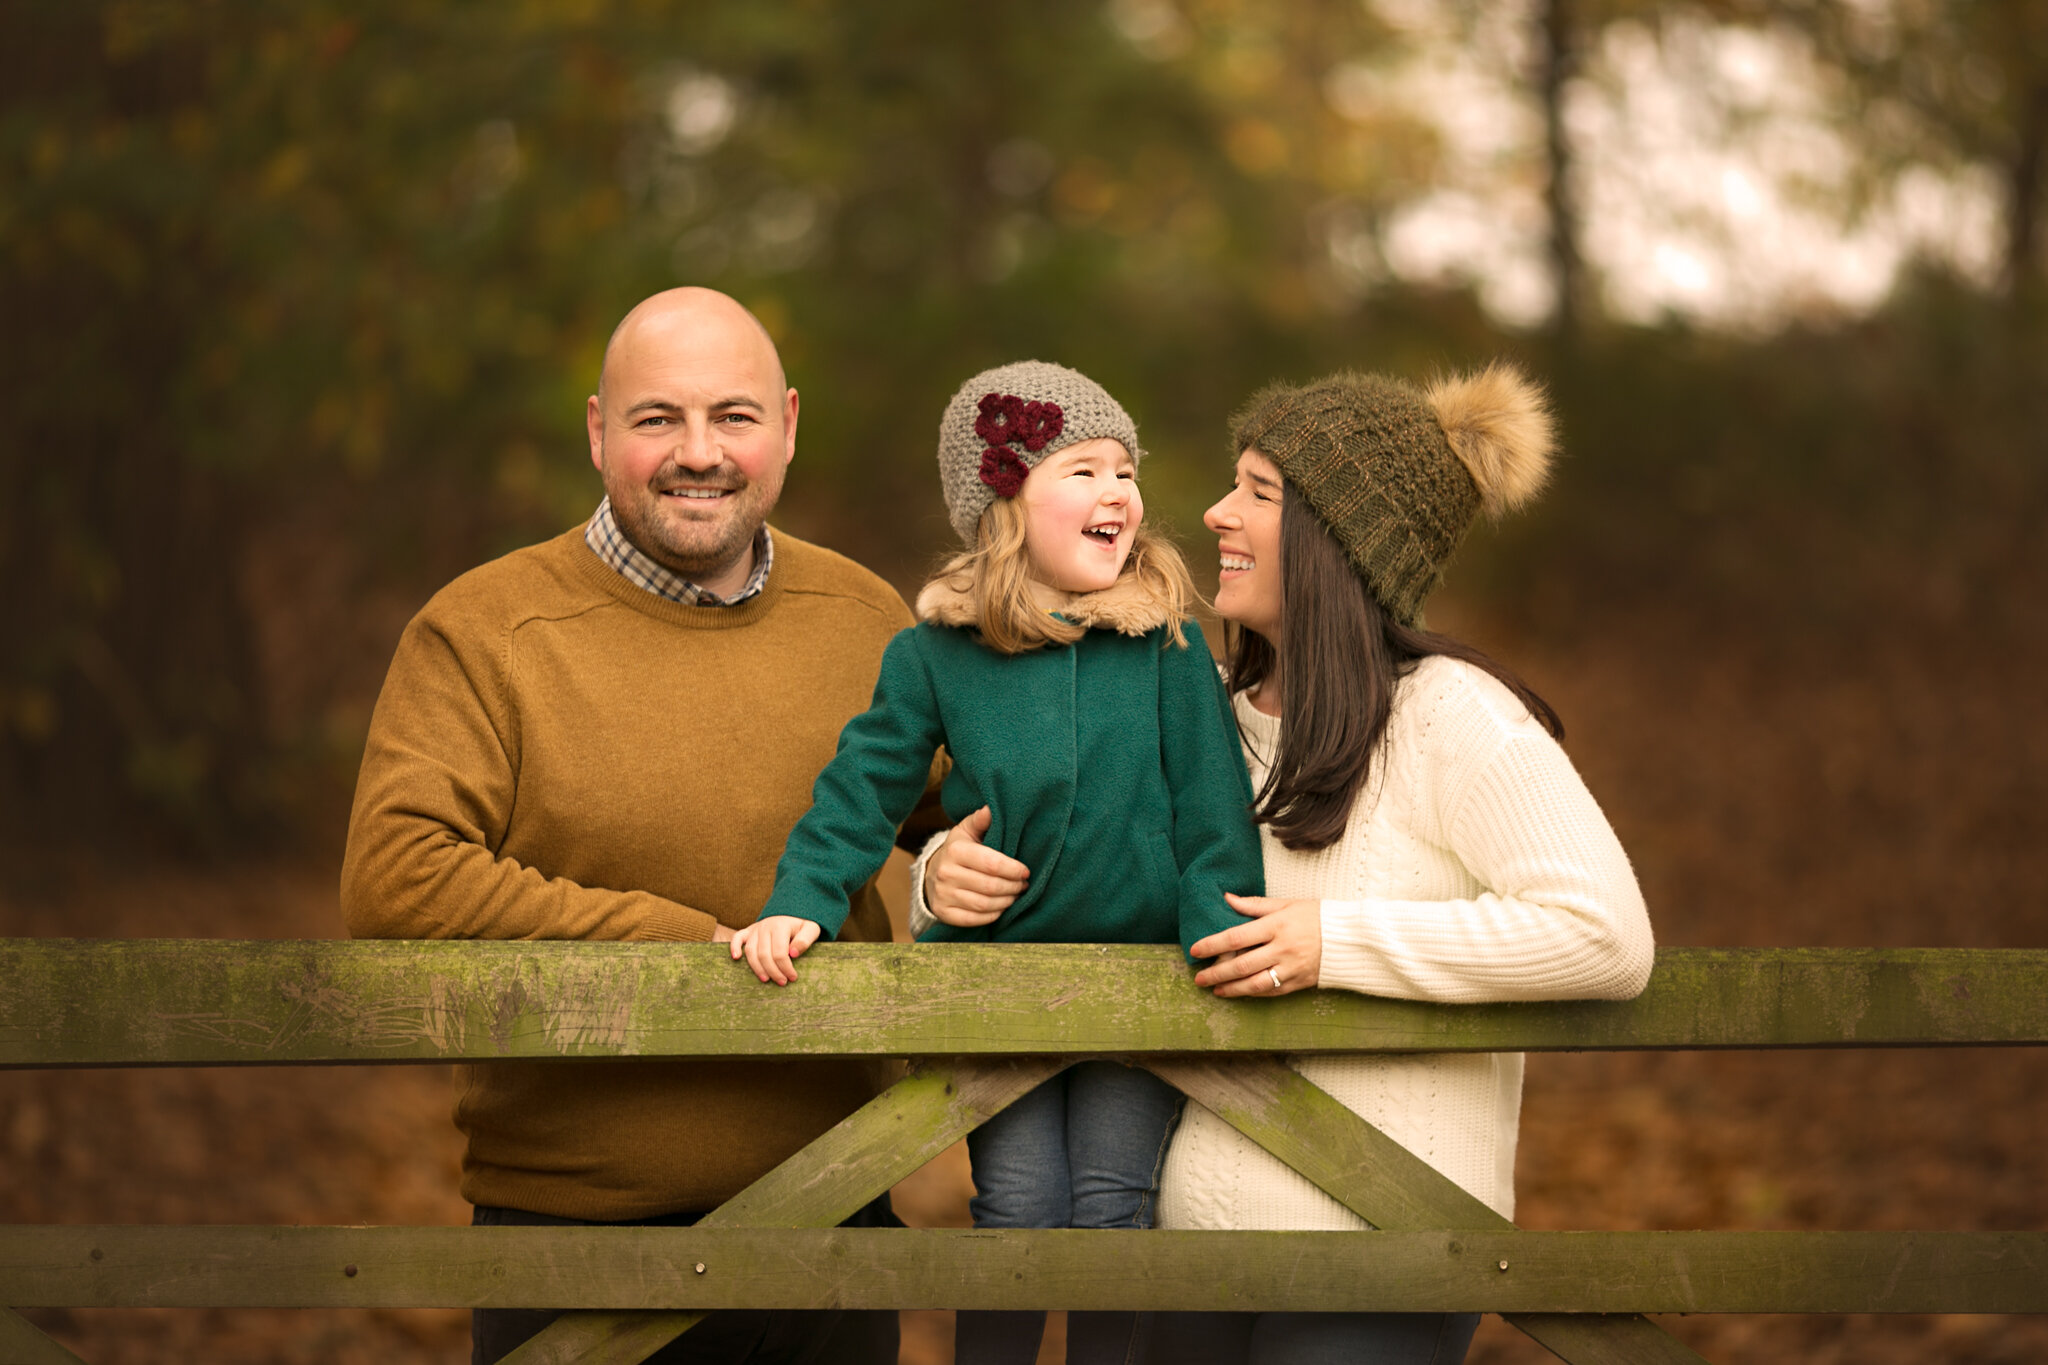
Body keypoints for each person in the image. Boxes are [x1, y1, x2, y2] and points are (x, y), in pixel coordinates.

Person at [919, 364, 1657, 1364]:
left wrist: (1331, 943)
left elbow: (1603, 936)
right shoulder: (1195, 710)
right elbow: (1064, 860)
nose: (1216, 513)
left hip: (1374, 1258)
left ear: (1337, 542)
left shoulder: (1450, 717)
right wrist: (938, 875)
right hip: (1179, 1269)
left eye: (1259, 494)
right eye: (1232, 484)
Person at [340, 286, 940, 1365]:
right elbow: (400, 877)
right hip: (570, 1233)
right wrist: (689, 954)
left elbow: (969, 813)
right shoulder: (484, 630)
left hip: (835, 1217)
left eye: (734, 417)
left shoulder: (866, 618)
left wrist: (961, 859)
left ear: (788, 427)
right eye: (657, 418)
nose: (697, 453)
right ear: (597, 432)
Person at [729, 360, 1266, 1365]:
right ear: (1007, 503)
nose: (1119, 493)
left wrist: (1216, 938)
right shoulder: (936, 654)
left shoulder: (1170, 648)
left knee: (1111, 1213)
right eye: (1085, 470)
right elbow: (863, 787)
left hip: (1142, 988)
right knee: (1018, 1207)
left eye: (1125, 471)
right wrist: (803, 898)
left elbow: (1211, 816)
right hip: (996, 989)